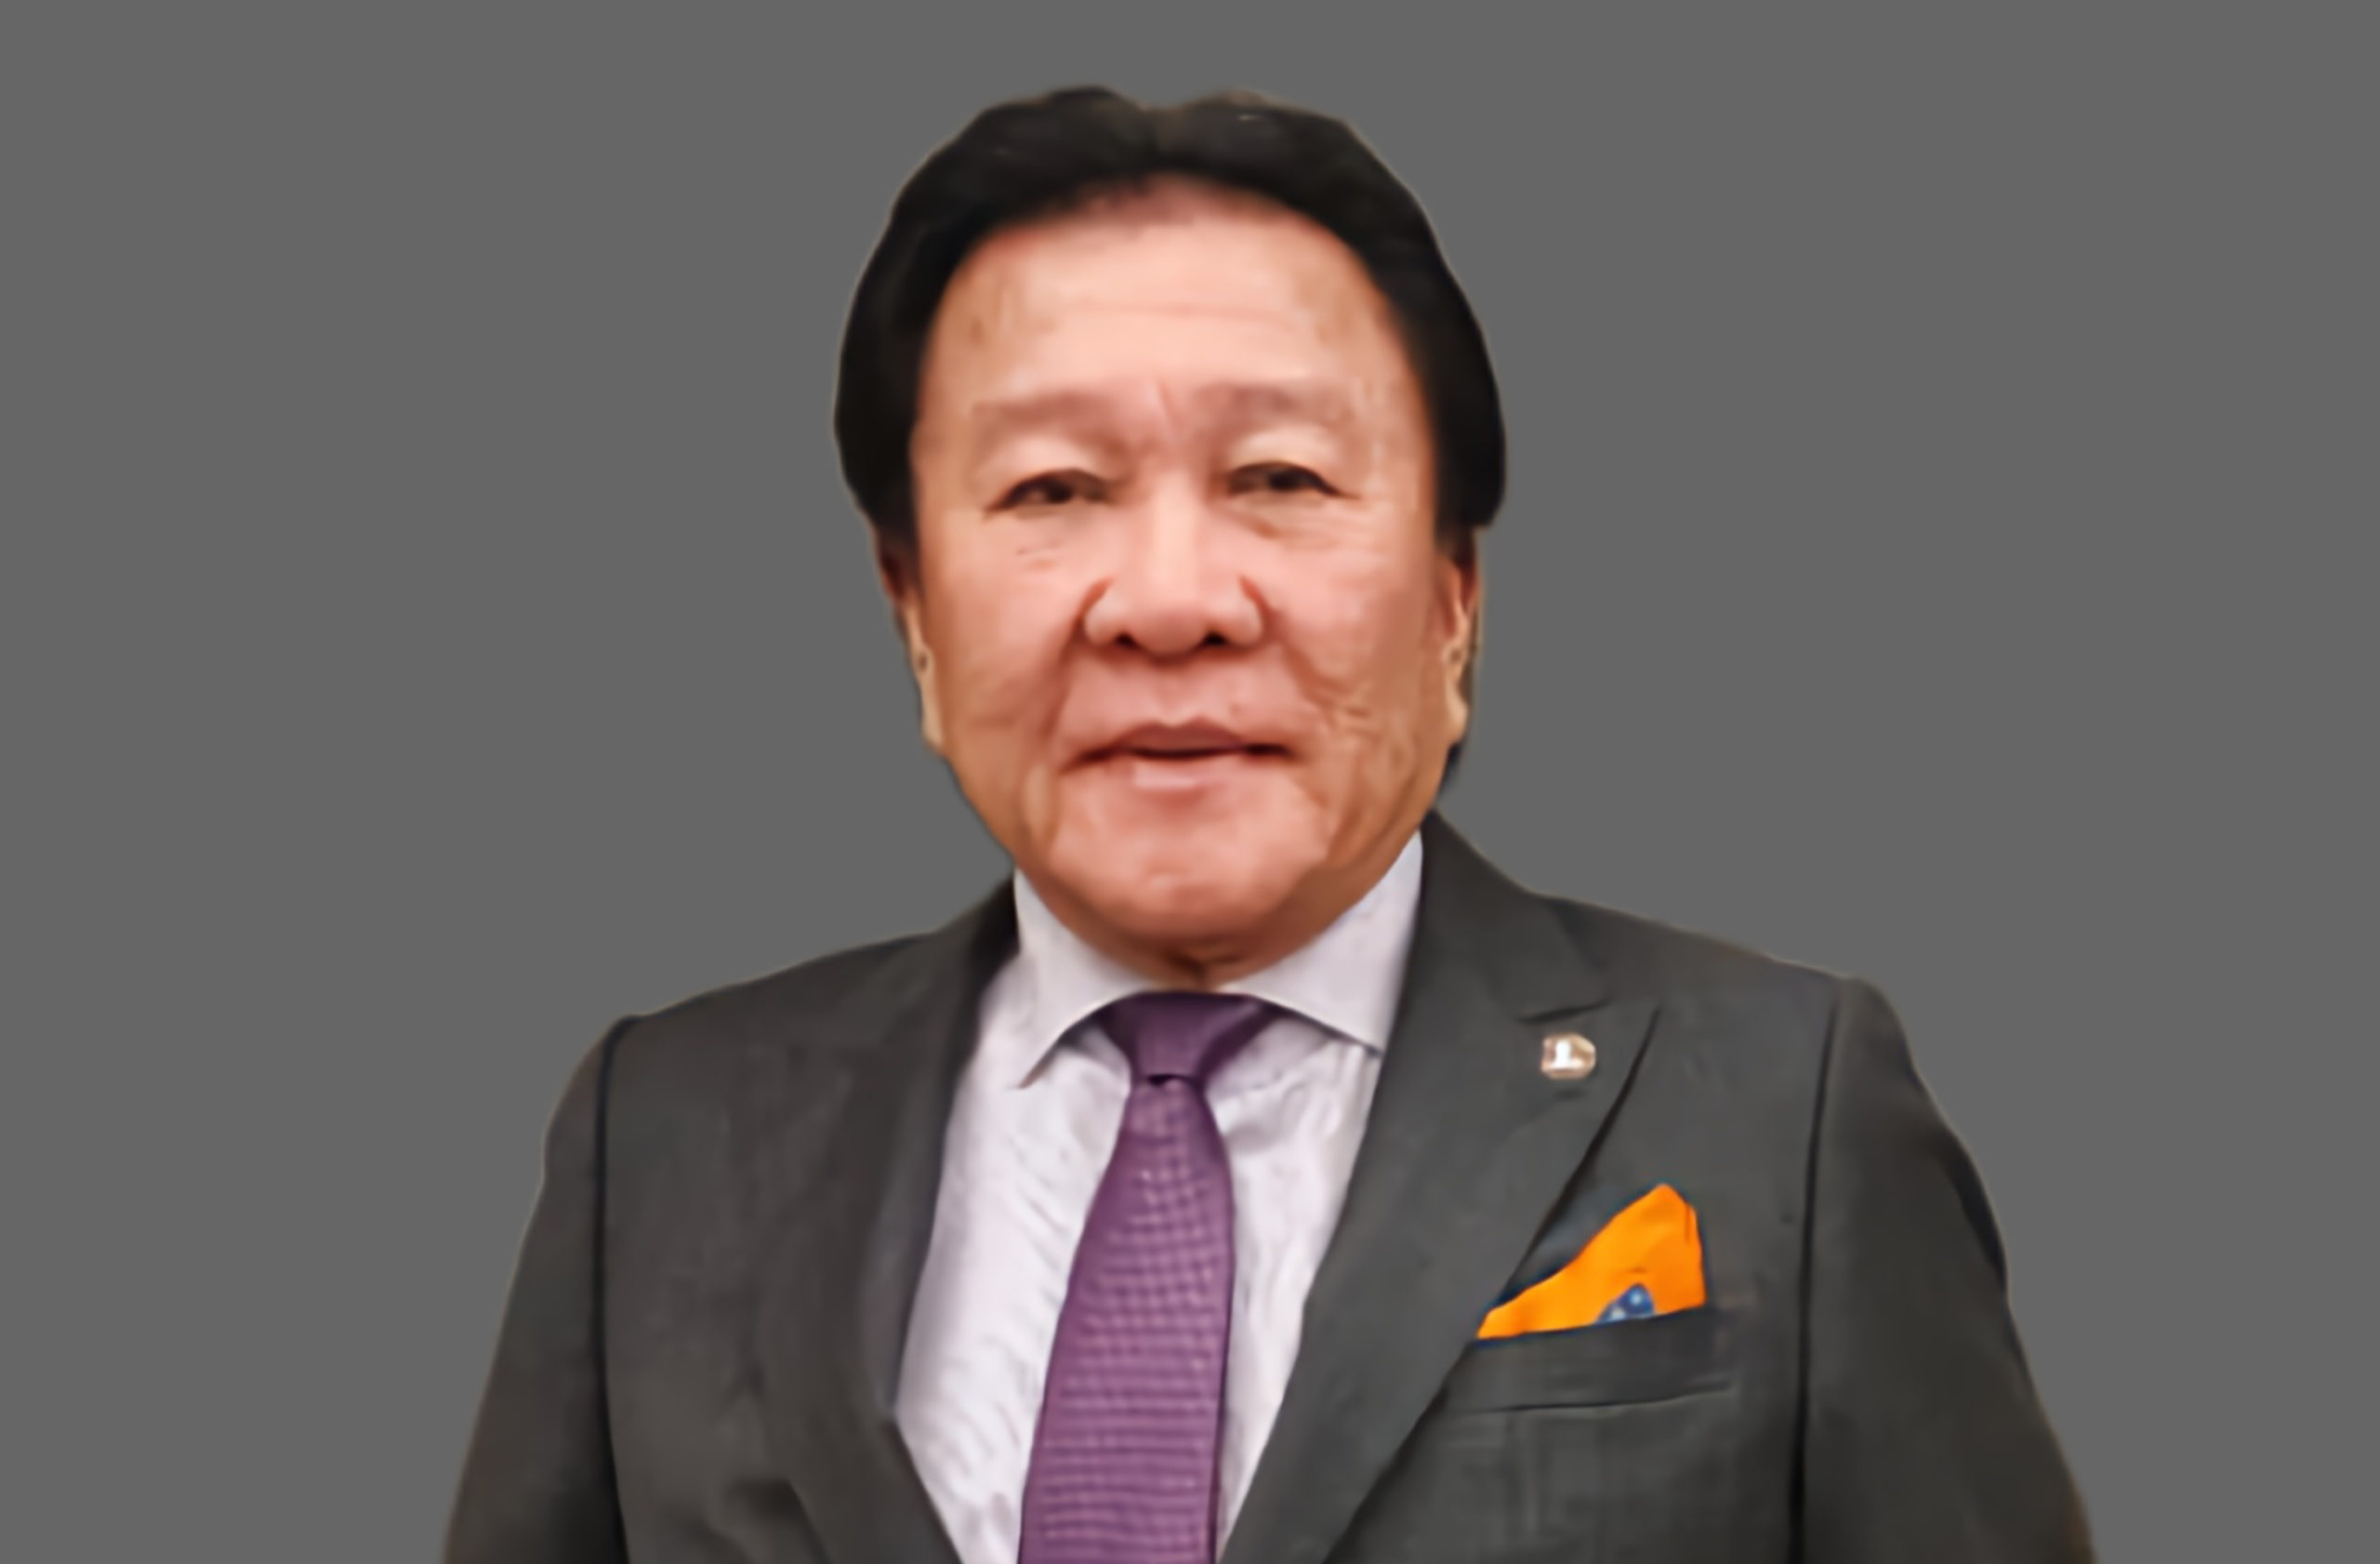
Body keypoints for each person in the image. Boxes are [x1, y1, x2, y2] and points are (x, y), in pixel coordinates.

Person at [445, 86, 2093, 1564]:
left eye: (1283, 479)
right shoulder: (666, 1135)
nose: (1170, 603)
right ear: (914, 613)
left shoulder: (1785, 1106)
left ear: (1453, 599)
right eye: (1051, 490)